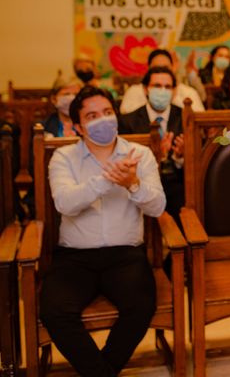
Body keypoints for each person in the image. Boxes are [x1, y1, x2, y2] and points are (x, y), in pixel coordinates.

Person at [40, 86, 165, 377]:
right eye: (93, 116)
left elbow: (157, 207)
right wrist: (107, 179)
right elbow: (65, 203)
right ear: (78, 127)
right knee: (54, 311)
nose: (103, 120)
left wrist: (133, 183)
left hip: (125, 255)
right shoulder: (63, 157)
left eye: (108, 113)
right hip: (75, 257)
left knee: (141, 305)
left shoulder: (141, 154)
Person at [119, 66, 185, 220]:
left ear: (174, 91)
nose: (162, 91)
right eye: (157, 86)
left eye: (167, 87)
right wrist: (157, 157)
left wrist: (179, 157)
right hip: (141, 185)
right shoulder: (128, 121)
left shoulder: (185, 118)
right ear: (145, 89)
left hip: (177, 185)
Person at [119, 49, 204, 114]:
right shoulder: (134, 91)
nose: (161, 72)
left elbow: (198, 119)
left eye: (165, 68)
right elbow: (127, 118)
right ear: (148, 69)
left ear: (173, 68)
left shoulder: (189, 92)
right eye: (156, 68)